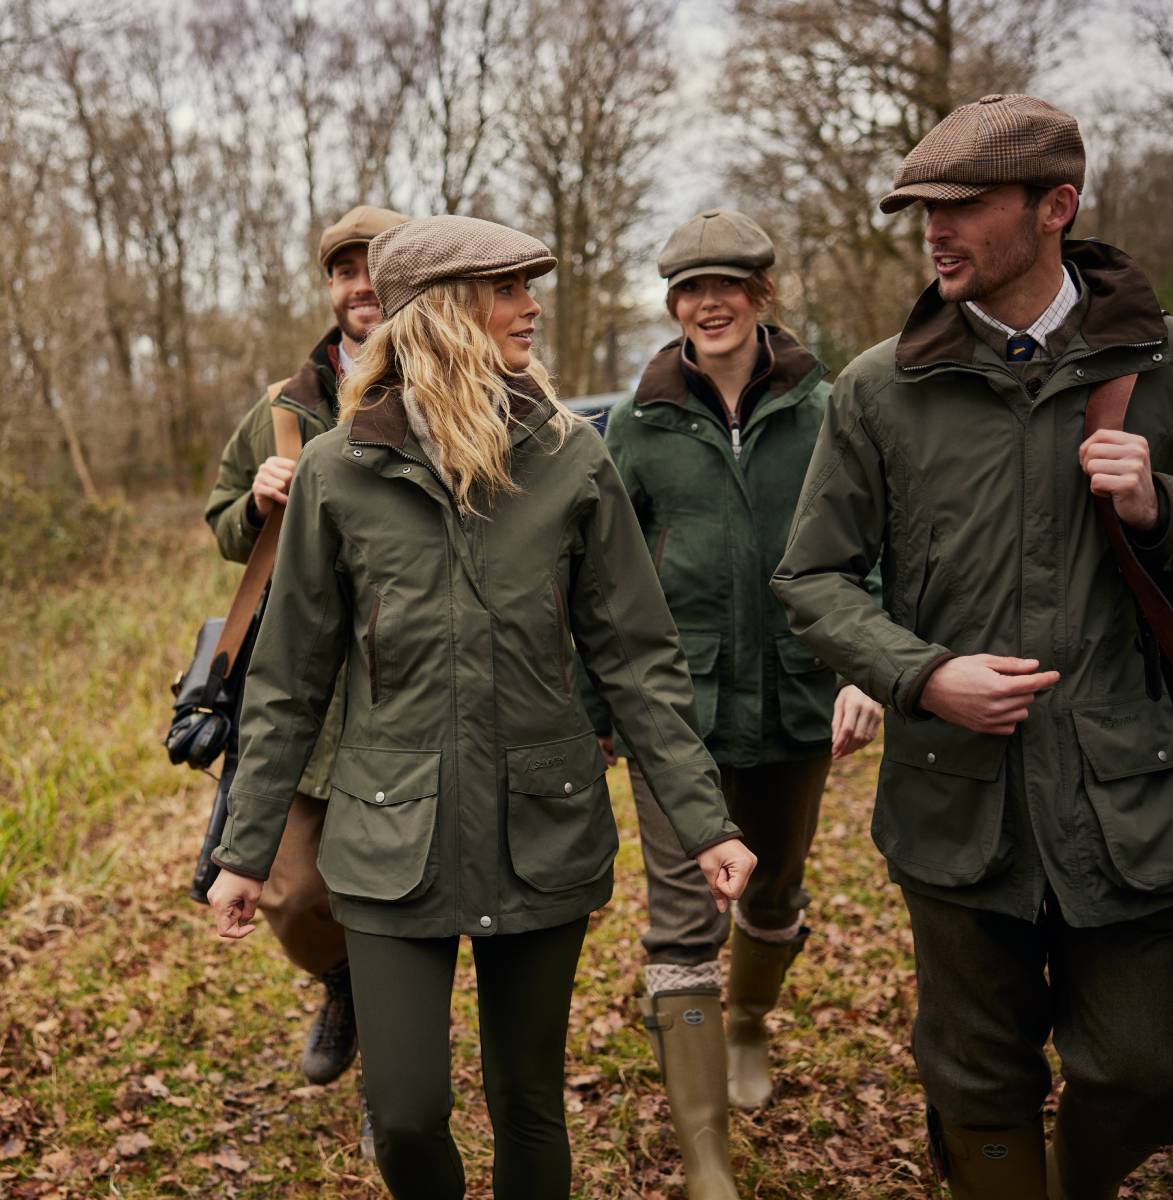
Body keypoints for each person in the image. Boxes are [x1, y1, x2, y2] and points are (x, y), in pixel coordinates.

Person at [204, 214, 757, 1200]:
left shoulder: (569, 459)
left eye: (525, 286)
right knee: (409, 1117)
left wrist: (701, 819)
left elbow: (637, 661)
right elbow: (288, 681)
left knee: (526, 1103)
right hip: (386, 837)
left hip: (539, 828)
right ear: (443, 313)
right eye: (506, 289)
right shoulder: (338, 469)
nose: (530, 306)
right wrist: (246, 852)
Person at [771, 94, 1173, 1198]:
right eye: (922, 208)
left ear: (1054, 207)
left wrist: (1166, 510)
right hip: (953, 798)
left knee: (1151, 1075)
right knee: (972, 1082)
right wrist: (922, 674)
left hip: (1127, 799)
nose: (933, 230)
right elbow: (810, 578)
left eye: (961, 206)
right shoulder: (878, 388)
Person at [590, 208, 882, 1199]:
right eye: (686, 288)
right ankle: (708, 1164)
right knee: (681, 923)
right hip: (677, 709)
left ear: (761, 296)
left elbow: (866, 546)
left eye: (724, 285)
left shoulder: (830, 410)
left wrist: (861, 663)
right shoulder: (632, 427)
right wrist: (603, 704)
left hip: (799, 697)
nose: (704, 303)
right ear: (671, 303)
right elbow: (601, 578)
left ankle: (750, 1022)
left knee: (773, 894)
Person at [203, 204, 407, 1144]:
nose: (359, 286)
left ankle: (397, 1087)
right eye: (342, 271)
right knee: (288, 892)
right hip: (302, 698)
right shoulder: (284, 408)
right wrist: (254, 498)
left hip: (408, 687)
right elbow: (219, 521)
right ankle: (343, 985)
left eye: (375, 266)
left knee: (395, 893)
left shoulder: (452, 385)